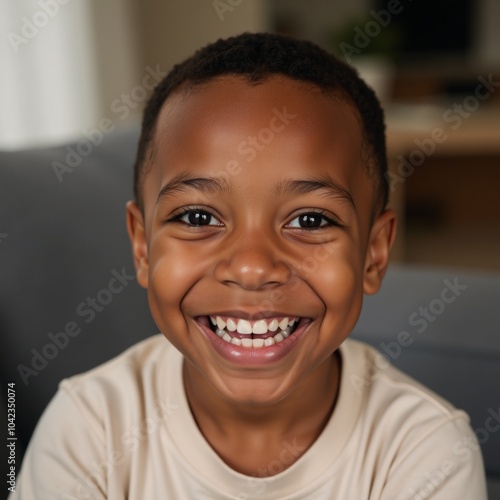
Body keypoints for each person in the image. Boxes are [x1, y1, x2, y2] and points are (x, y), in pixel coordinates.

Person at [11, 32, 487, 499]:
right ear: (142, 246)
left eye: (310, 219)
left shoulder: (423, 453)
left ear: (373, 254)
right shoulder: (89, 429)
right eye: (198, 217)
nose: (253, 268)